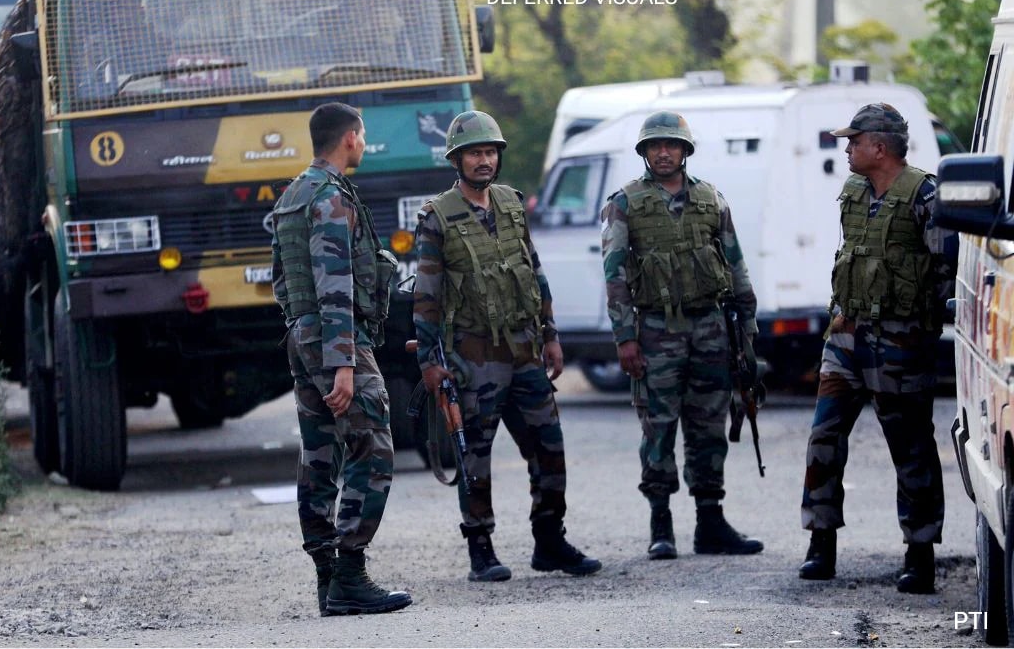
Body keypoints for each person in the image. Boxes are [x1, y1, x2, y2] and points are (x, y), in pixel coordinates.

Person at [412, 110, 601, 582]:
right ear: (457, 160)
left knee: (548, 446)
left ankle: (550, 540)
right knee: (474, 452)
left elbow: (533, 271)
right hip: (473, 356)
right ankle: (481, 549)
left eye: (490, 151)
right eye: (475, 153)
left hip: (524, 350)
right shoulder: (437, 218)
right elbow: (427, 295)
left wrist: (551, 335)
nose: (484, 160)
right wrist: (430, 362)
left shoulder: (513, 204)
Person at [798, 103, 957, 593]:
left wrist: (917, 325)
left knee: (910, 447)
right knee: (823, 438)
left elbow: (947, 270)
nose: (847, 148)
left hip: (901, 342)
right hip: (845, 336)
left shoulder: (925, 194)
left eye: (854, 141)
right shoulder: (852, 191)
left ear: (879, 147)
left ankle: (920, 552)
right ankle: (820, 543)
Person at [600, 110, 764, 561]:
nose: (664, 152)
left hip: (710, 328)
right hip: (655, 329)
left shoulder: (712, 199)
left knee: (708, 426)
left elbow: (736, 265)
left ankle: (710, 522)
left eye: (672, 145)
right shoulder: (625, 203)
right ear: (645, 152)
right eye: (655, 146)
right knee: (658, 427)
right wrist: (625, 337)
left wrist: (747, 333)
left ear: (685, 151)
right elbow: (613, 274)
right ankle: (661, 524)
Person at [270, 102, 410, 616]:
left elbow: (281, 281)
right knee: (373, 446)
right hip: (336, 338)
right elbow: (335, 283)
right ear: (349, 138)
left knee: (320, 456)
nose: (365, 143)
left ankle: (328, 579)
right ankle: (349, 573)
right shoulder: (329, 197)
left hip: (303, 336)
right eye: (363, 135)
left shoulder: (292, 195)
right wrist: (344, 361)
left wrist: (304, 337)